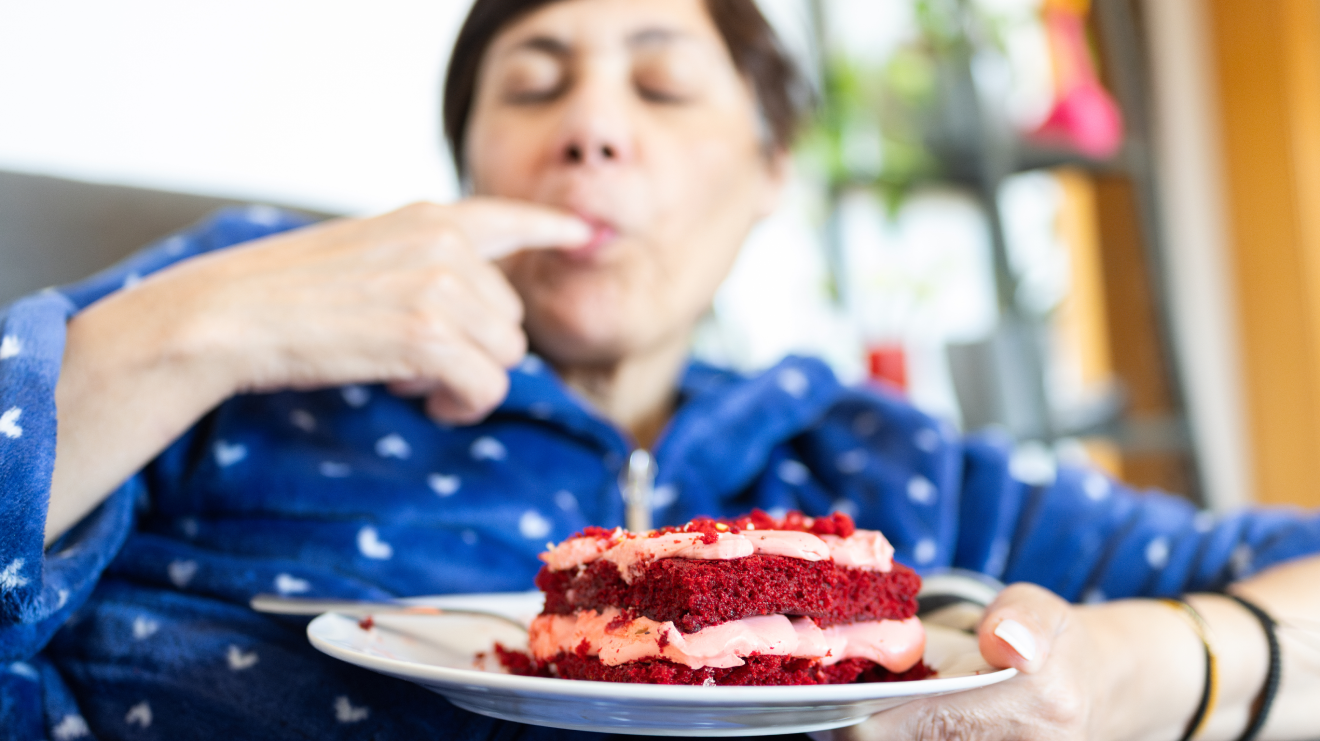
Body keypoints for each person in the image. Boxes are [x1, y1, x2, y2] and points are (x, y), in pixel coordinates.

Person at [2, 0, 1318, 738]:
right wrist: (200, 329)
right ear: (471, 164)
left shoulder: (876, 458)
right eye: (533, 84)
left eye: (664, 86)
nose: (589, 130)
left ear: (768, 177)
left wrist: (1154, 665)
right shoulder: (248, 318)